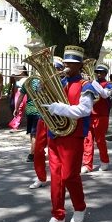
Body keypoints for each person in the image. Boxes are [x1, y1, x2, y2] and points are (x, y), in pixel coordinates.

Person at [40, 45, 97, 222]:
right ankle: (57, 215)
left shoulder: (85, 86)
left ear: (80, 65)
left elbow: (84, 110)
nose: (67, 67)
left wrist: (58, 108)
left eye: (72, 63)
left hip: (73, 135)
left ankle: (79, 207)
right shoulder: (59, 82)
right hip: (54, 133)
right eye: (66, 63)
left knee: (69, 175)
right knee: (56, 177)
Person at [29, 56, 65, 189]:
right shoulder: (42, 82)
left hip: (58, 120)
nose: (51, 71)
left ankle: (61, 177)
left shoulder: (64, 83)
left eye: (55, 69)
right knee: (38, 149)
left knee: (55, 151)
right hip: (43, 118)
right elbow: (36, 94)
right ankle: (40, 177)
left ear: (60, 70)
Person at [82, 63, 112, 173]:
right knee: (87, 141)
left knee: (100, 140)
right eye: (97, 72)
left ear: (105, 73)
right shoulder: (90, 83)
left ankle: (104, 161)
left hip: (101, 116)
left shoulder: (109, 85)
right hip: (89, 115)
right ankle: (87, 164)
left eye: (101, 72)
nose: (99, 74)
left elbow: (105, 94)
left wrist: (93, 82)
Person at [8, 64, 28, 132]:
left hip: (22, 94)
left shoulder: (26, 78)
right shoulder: (18, 77)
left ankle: (15, 126)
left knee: (19, 109)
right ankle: (14, 125)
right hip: (17, 94)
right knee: (17, 109)